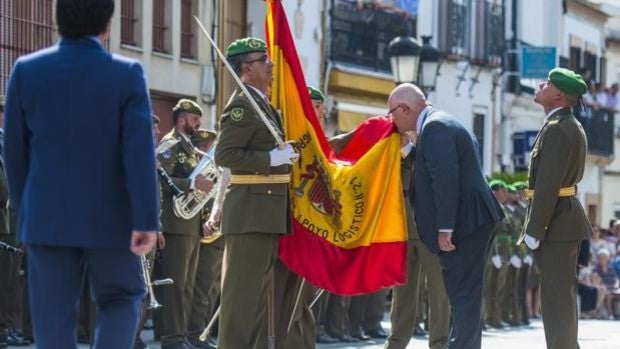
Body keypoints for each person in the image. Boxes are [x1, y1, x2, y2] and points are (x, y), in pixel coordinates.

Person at [2, 0, 159, 348]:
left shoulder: (26, 71)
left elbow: (13, 153)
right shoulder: (127, 74)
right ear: (107, 25)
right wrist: (146, 219)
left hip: (46, 218)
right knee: (121, 299)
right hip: (112, 219)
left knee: (52, 319)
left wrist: (25, 209)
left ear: (58, 21)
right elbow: (139, 156)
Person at [388, 83, 503, 349]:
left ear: (405, 108)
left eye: (392, 112)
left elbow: (445, 178)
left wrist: (444, 227)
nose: (391, 119)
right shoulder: (444, 121)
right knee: (466, 295)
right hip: (475, 219)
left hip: (465, 223)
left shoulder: (434, 128)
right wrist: (408, 151)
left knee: (461, 293)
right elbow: (434, 165)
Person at [214, 37, 299, 349]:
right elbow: (225, 155)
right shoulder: (241, 106)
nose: (271, 64)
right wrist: (271, 160)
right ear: (246, 68)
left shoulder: (262, 105)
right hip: (249, 214)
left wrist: (285, 158)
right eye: (264, 60)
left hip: (265, 214)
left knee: (255, 302)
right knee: (240, 302)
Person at [517, 67, 592, 349]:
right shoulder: (559, 125)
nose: (540, 85)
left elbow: (548, 185)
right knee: (557, 299)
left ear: (559, 94)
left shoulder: (559, 129)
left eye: (547, 83)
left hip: (555, 223)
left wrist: (535, 228)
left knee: (557, 301)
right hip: (559, 220)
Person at [385, 130, 450, 349]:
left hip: (428, 231)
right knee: (402, 293)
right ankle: (396, 341)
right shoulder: (395, 154)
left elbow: (428, 172)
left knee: (438, 292)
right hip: (402, 230)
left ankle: (439, 343)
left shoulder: (431, 152)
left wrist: (408, 149)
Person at [157, 99, 215, 349]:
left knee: (188, 286)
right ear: (181, 119)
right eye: (194, 119)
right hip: (175, 224)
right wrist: (192, 184)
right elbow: (159, 177)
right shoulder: (170, 145)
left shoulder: (190, 148)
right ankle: (172, 338)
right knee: (176, 285)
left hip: (191, 226)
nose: (198, 123)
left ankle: (185, 336)